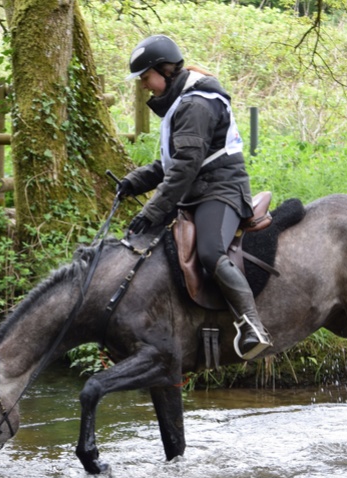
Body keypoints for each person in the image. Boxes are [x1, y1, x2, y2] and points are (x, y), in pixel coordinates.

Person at [116, 34, 271, 361]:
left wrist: (152, 209)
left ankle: (252, 326)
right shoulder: (182, 102)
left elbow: (185, 167)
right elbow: (171, 161)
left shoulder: (196, 104)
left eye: (146, 77)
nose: (144, 85)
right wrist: (134, 182)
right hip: (198, 189)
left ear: (164, 70)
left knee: (210, 253)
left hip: (222, 189)